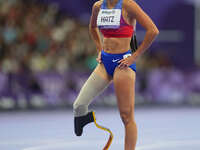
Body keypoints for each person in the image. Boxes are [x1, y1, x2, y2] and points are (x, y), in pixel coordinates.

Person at [73, 0, 159, 150]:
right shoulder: (98, 6)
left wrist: (135, 56)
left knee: (126, 116)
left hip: (123, 64)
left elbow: (153, 30)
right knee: (79, 106)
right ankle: (87, 118)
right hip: (105, 62)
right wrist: (99, 48)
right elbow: (92, 27)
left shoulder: (128, 5)